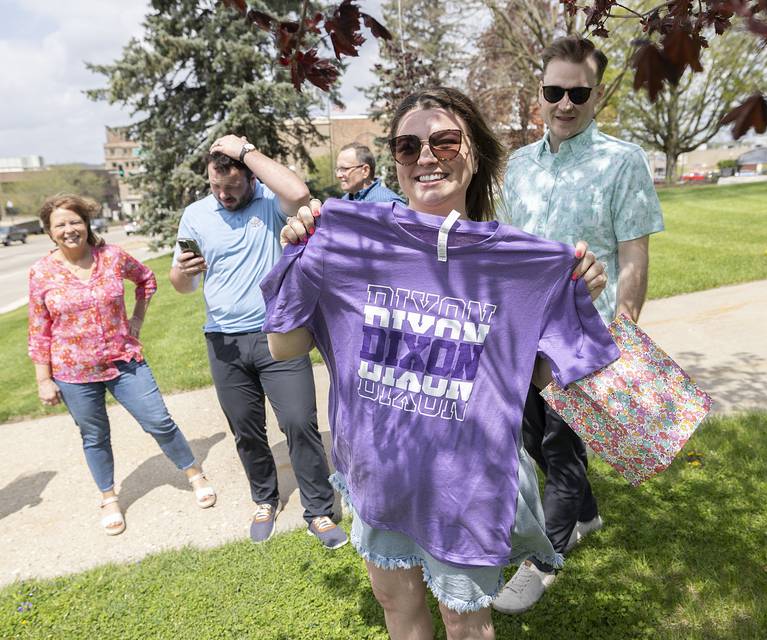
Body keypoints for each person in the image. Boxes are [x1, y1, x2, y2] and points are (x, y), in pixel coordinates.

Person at [265, 87, 616, 640]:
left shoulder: (523, 260)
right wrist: (300, 254)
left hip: (464, 488)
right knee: (393, 602)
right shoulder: (349, 241)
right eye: (408, 146)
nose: (426, 156)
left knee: (465, 621)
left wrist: (574, 297)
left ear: (473, 151)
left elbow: (544, 378)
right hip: (380, 471)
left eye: (444, 140)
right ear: (396, 163)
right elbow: (284, 347)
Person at [493, 35, 665, 614]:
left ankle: (544, 559)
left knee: (563, 450)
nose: (564, 103)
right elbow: (508, 251)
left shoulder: (623, 162)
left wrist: (627, 330)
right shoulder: (518, 166)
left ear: (596, 94)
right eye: (553, 91)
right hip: (523, 333)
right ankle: (587, 515)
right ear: (538, 92)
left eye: (578, 92)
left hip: (586, 337)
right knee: (532, 437)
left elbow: (634, 253)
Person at [168, 135, 346, 549]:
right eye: (215, 187)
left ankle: (319, 510)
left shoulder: (269, 202)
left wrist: (245, 150)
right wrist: (183, 270)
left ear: (249, 179)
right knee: (246, 430)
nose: (223, 195)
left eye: (231, 187)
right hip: (224, 342)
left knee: (300, 422)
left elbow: (300, 192)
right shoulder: (195, 215)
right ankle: (264, 498)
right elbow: (182, 285)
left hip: (277, 336)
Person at [28, 194, 216, 536]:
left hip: (124, 358)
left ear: (86, 224)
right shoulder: (41, 272)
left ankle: (194, 473)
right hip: (74, 372)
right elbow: (39, 328)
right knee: (94, 436)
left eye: (75, 221)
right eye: (61, 225)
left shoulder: (112, 257)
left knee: (158, 420)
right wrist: (44, 379)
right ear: (50, 232)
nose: (70, 229)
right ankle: (108, 497)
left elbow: (147, 279)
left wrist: (137, 320)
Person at [335, 142, 405, 204]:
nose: (338, 175)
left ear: (365, 170)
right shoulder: (344, 203)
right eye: (338, 169)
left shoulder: (388, 203)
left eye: (344, 169)